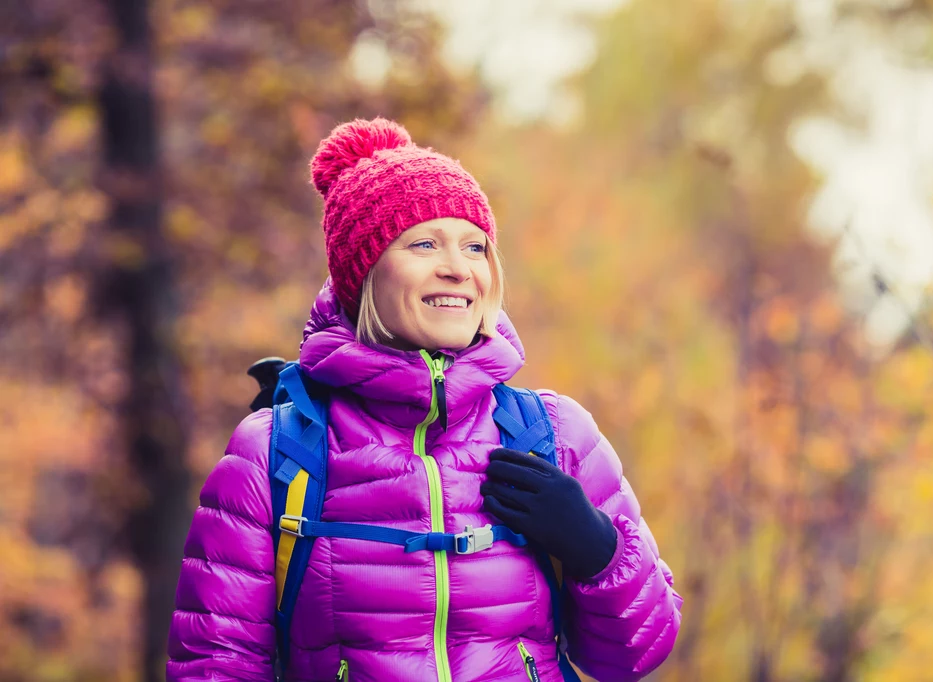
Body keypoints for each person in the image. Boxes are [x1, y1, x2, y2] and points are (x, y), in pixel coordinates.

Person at [166, 118, 682, 682]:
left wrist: (597, 548)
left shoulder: (554, 435)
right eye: (424, 243)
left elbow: (635, 654)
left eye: (475, 247)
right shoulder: (273, 453)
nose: (458, 269)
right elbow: (213, 668)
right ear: (362, 275)